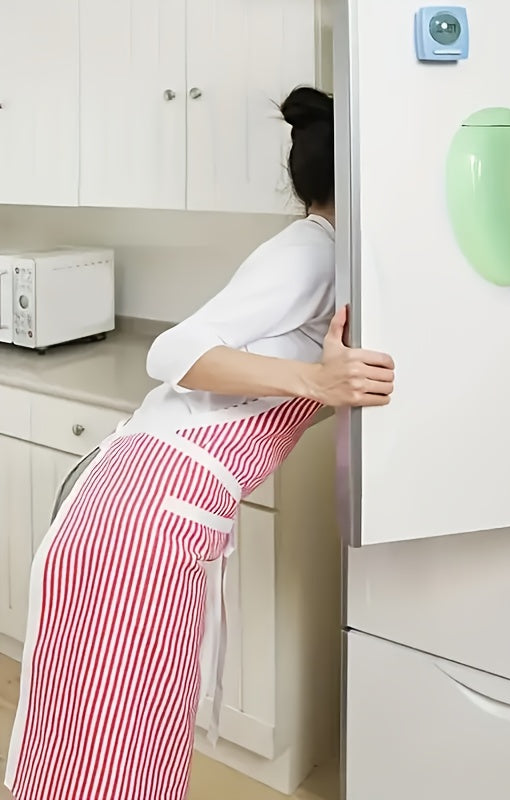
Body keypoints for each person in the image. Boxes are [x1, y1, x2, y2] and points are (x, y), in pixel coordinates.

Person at [4, 86, 394, 800]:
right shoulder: (311, 252)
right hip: (137, 529)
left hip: (143, 517)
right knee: (112, 753)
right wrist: (318, 382)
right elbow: (174, 351)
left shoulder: (334, 257)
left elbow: (273, 393)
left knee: (123, 743)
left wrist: (335, 389)